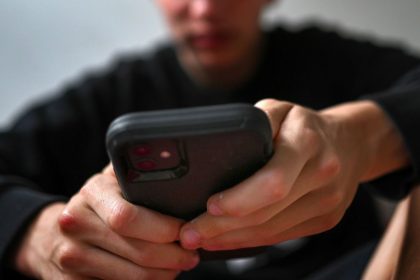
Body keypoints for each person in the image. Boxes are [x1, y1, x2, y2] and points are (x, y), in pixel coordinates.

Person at [1, 0, 419, 279]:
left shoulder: (332, 61)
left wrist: (361, 138)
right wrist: (36, 237)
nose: (205, 9)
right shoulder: (111, 95)